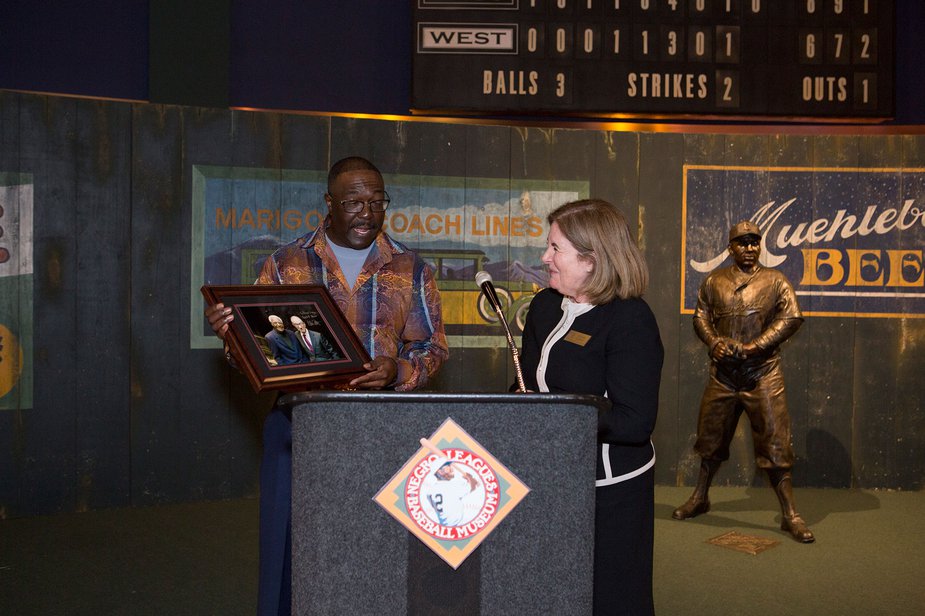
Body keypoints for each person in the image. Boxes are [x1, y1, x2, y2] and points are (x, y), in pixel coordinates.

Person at [205, 156, 448, 616]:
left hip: (382, 428)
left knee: (377, 549)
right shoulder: (285, 263)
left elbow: (432, 348)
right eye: (354, 201)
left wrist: (396, 370)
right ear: (329, 203)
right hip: (301, 424)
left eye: (377, 201)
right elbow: (257, 356)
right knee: (290, 549)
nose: (367, 212)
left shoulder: (413, 269)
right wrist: (234, 336)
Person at [518, 199, 664, 616]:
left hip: (609, 489)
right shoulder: (546, 306)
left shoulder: (631, 320)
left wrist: (559, 413)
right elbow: (529, 381)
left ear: (591, 259)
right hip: (548, 478)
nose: (544, 257)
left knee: (612, 598)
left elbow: (634, 422)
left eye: (555, 249)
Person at [672, 220, 814, 543]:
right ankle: (701, 497)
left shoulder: (775, 280)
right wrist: (713, 341)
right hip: (723, 375)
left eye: (754, 243)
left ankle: (790, 513)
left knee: (775, 446)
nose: (749, 249)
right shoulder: (714, 281)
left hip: (762, 374)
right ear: (730, 247)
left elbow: (792, 316)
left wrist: (756, 346)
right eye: (742, 243)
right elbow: (701, 316)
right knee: (711, 439)